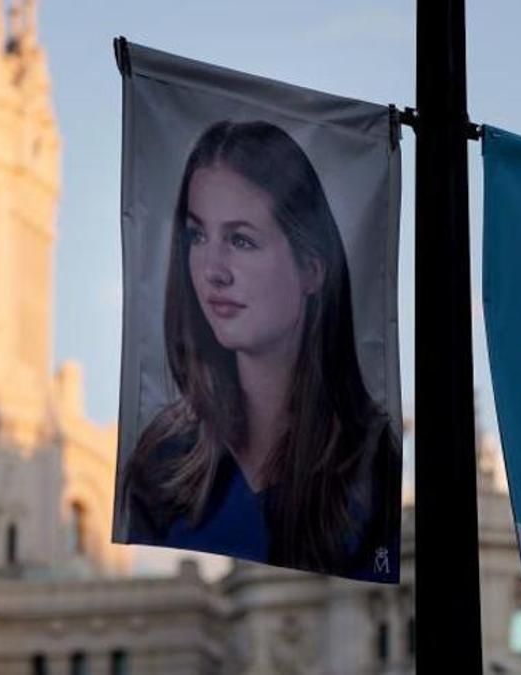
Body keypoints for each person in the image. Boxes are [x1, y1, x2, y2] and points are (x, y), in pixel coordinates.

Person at [120, 120, 401, 581]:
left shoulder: (370, 461)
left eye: (241, 240)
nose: (213, 270)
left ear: (312, 269)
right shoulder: (162, 460)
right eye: (197, 236)